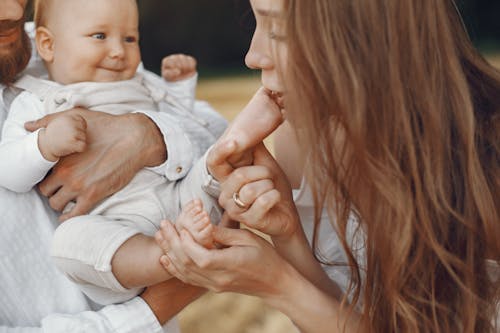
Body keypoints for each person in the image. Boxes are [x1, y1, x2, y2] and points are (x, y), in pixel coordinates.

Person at [154, 0, 500, 332]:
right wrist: (287, 234)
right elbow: (353, 318)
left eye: (276, 30)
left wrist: (279, 285)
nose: (252, 57)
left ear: (363, 37)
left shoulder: (488, 155)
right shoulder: (302, 141)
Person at [0, 0, 224, 331]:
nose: (15, 13)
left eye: (131, 39)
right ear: (51, 44)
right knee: (72, 242)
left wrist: (148, 135)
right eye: (101, 36)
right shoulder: (36, 98)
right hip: (121, 239)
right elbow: (11, 170)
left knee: (226, 168)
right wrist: (42, 145)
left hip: (176, 198)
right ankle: (165, 254)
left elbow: (213, 130)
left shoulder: (53, 38)